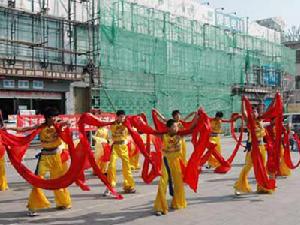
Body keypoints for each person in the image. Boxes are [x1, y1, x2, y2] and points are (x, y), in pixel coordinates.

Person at [5, 107, 72, 216]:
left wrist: (65, 123)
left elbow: (68, 123)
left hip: (56, 157)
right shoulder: (41, 127)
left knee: (58, 182)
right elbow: (24, 130)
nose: (55, 118)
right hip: (44, 157)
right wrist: (8, 128)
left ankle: (63, 202)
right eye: (53, 117)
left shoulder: (58, 125)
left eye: (56, 116)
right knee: (37, 181)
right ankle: (33, 207)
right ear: (47, 118)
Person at [234, 106, 274, 195]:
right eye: (251, 112)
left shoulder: (261, 122)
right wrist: (243, 102)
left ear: (257, 113)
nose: (253, 113)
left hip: (261, 148)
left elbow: (272, 120)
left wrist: (277, 101)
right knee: (247, 167)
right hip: (253, 149)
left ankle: (262, 187)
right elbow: (244, 113)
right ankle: (240, 187)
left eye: (255, 111)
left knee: (262, 168)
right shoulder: (249, 123)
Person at [154, 119, 189, 216]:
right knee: (163, 183)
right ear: (168, 128)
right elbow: (152, 131)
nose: (176, 128)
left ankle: (177, 202)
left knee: (178, 182)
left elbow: (193, 128)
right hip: (166, 161)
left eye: (177, 126)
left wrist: (198, 116)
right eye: (174, 126)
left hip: (176, 161)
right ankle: (159, 206)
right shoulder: (163, 136)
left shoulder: (180, 135)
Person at [104, 110, 136, 196]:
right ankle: (110, 187)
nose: (122, 118)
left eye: (123, 117)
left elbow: (134, 131)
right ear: (117, 117)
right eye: (121, 117)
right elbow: (109, 137)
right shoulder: (112, 126)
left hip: (124, 147)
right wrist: (109, 142)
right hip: (114, 147)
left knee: (126, 167)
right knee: (111, 167)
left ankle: (129, 185)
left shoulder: (127, 124)